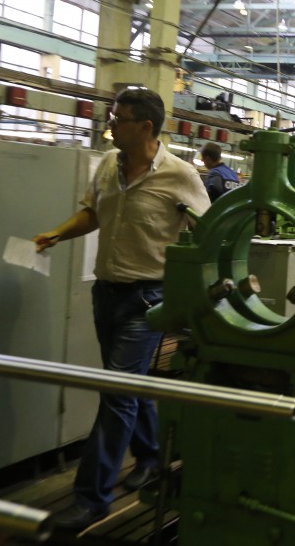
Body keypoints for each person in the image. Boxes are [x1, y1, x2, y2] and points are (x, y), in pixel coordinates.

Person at [34, 88, 210, 530]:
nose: (110, 125)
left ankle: (91, 499)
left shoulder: (181, 175)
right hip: (106, 293)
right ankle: (150, 459)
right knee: (131, 387)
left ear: (146, 127)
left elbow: (208, 233)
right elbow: (92, 213)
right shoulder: (108, 166)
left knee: (116, 394)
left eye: (118, 119)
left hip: (148, 300)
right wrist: (56, 233)